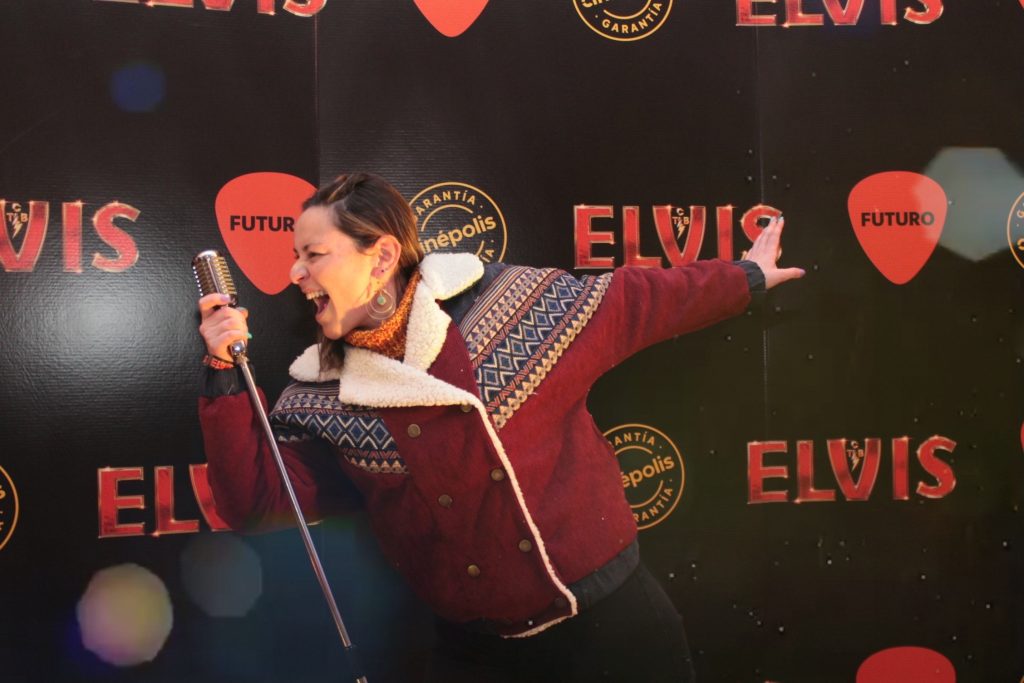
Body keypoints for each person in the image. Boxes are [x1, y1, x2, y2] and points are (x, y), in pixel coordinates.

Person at [197, 172, 803, 682]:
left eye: (313, 255)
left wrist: (744, 278)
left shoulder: (516, 308)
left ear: (380, 257)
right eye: (296, 258)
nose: (295, 274)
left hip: (615, 632)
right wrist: (224, 373)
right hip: (476, 656)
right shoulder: (320, 397)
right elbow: (257, 500)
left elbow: (639, 299)